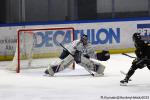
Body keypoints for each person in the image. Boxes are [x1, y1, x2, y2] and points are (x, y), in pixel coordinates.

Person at [44, 34, 110, 76]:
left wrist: (101, 56)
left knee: (87, 62)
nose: (84, 41)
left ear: (87, 40)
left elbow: (92, 54)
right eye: (83, 39)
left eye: (85, 40)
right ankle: (51, 69)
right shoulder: (76, 43)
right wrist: (75, 55)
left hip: (78, 56)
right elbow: (70, 50)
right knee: (65, 64)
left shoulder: (89, 46)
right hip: (68, 53)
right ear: (81, 39)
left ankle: (99, 68)